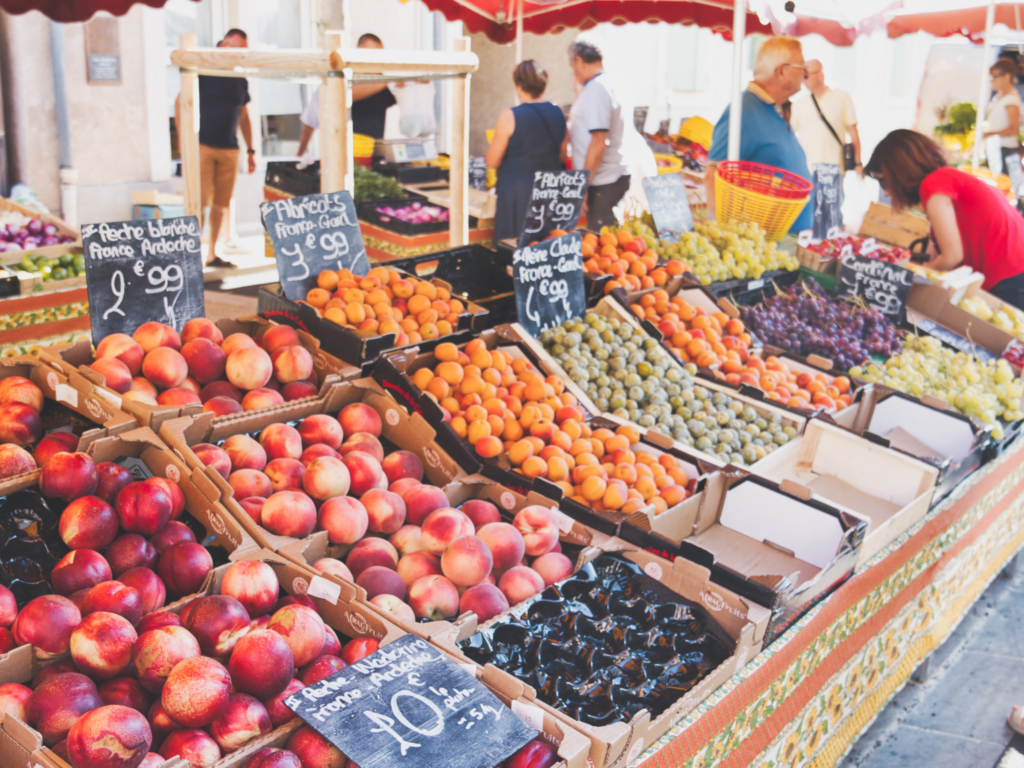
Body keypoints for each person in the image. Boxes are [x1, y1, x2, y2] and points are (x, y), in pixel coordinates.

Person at [865, 129, 1024, 309]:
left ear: (900, 170)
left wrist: (911, 284)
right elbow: (946, 249)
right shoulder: (946, 178)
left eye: (883, 181)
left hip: (1011, 277)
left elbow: (952, 256)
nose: (885, 191)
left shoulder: (933, 184)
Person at [705, 36, 812, 233]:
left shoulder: (774, 109)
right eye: (801, 66)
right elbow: (713, 175)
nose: (806, 73)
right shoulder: (742, 112)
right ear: (781, 71)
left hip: (787, 243)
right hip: (765, 248)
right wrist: (725, 237)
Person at [175, 28, 255, 268]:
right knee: (198, 202)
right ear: (223, 45)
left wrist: (251, 150)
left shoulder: (240, 79)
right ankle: (190, 258)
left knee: (222, 203)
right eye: (235, 49)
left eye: (243, 51)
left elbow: (244, 116)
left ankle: (213, 253)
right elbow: (180, 104)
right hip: (203, 147)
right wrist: (182, 140)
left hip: (230, 149)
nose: (237, 55)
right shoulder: (203, 71)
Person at [485, 61, 567, 243]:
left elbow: (492, 160)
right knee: (546, 248)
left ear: (518, 86)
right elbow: (562, 155)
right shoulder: (558, 112)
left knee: (514, 252)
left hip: (517, 194)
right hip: (550, 192)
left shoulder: (510, 115)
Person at [297, 33, 397, 157]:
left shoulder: (383, 84)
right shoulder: (340, 80)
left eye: (379, 57)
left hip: (373, 157)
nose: (376, 62)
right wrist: (299, 156)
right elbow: (310, 122)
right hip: (343, 158)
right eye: (371, 57)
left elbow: (403, 97)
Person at [566, 38, 629, 231]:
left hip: (603, 181)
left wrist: (583, 184)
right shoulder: (612, 81)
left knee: (604, 247)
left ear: (579, 61)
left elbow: (599, 142)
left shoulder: (597, 89)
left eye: (572, 66)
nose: (573, 73)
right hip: (612, 176)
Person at [791, 59, 862, 176]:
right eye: (802, 76)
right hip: (807, 170)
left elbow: (853, 133)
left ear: (820, 74)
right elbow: (791, 135)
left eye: (807, 76)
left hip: (834, 169)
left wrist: (858, 163)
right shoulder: (799, 103)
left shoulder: (841, 97)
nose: (804, 80)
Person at [983, 58, 1023, 200]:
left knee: (1005, 193)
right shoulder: (1000, 97)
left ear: (1006, 76)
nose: (991, 81)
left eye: (994, 77)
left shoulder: (1011, 99)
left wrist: (989, 133)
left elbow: (1013, 129)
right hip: (998, 149)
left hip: (1005, 151)